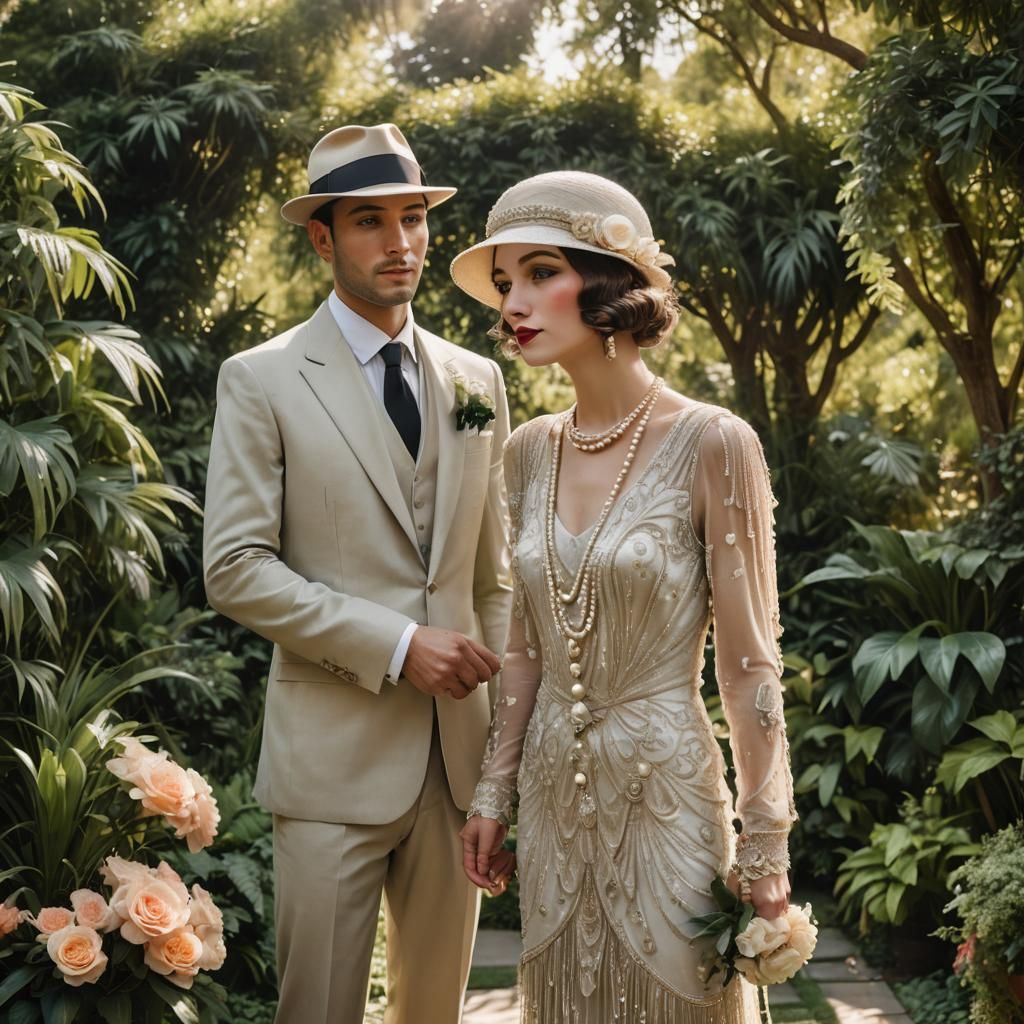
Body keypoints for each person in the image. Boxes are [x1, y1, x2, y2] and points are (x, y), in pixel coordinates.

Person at [451, 171, 797, 1022]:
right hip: (553, 804)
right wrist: (494, 794)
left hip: (667, 793)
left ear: (607, 284)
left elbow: (751, 664)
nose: (514, 304)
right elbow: (525, 647)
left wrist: (766, 843)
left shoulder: (715, 441)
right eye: (505, 285)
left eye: (538, 273)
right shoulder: (529, 450)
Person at [203, 123, 513, 1024]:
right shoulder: (261, 379)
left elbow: (490, 581)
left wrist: (498, 770)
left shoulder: (476, 381)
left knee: (434, 1015)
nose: (402, 243)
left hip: (456, 769)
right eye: (371, 221)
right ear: (322, 237)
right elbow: (235, 567)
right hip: (331, 766)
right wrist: (399, 642)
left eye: (413, 218)